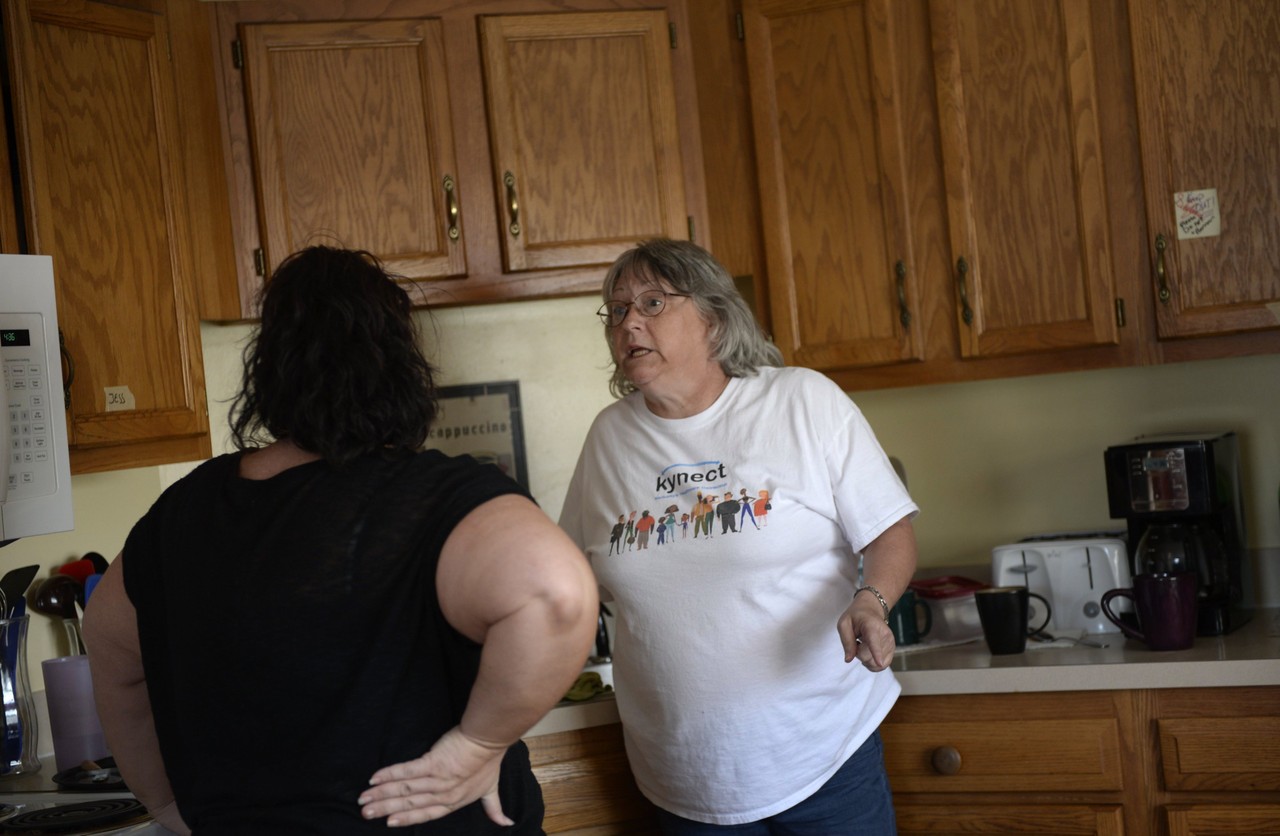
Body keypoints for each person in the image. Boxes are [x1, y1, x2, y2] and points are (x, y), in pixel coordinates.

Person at [83, 246, 598, 835]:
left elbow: (106, 640)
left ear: (267, 367)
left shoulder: (184, 510)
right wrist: (479, 745)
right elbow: (556, 595)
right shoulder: (434, 497)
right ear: (402, 366)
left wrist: (166, 805)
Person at [559, 239, 919, 835]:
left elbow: (889, 531)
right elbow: (566, 579)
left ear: (714, 318)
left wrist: (871, 601)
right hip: (681, 776)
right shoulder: (608, 438)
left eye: (652, 303)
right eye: (617, 310)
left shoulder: (801, 400)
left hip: (823, 755)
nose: (629, 323)